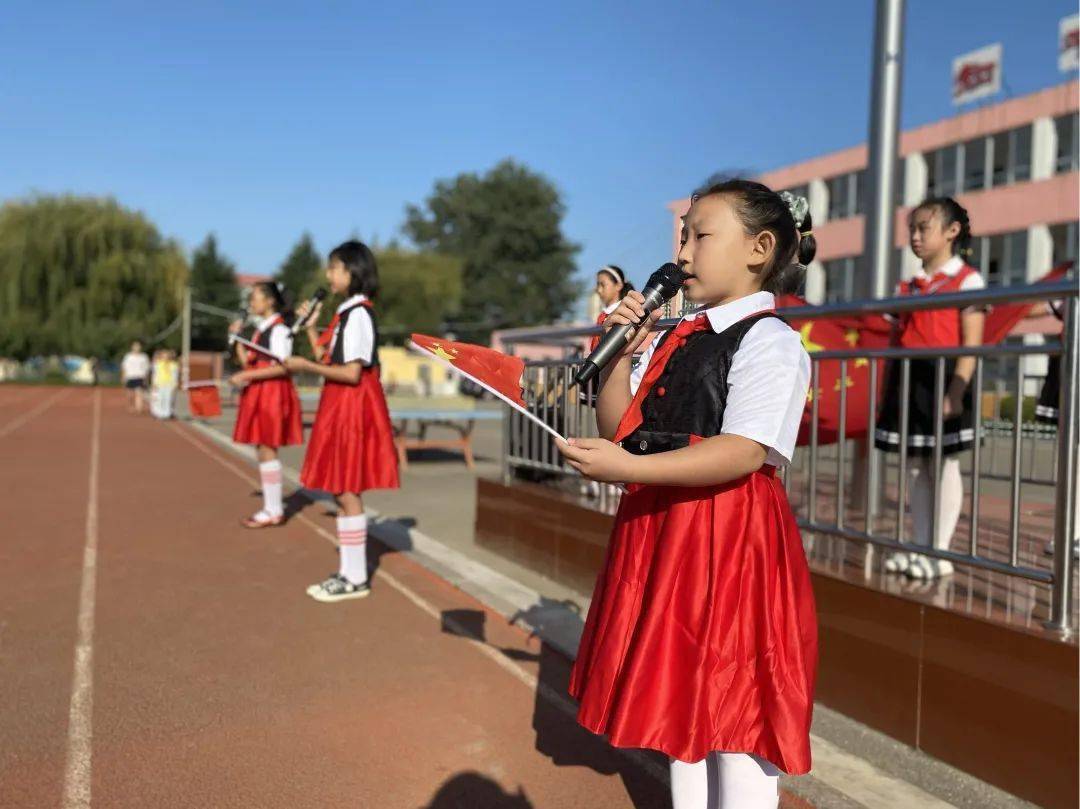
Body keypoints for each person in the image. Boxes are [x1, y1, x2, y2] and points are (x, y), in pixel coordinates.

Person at [558, 180, 818, 809]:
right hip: (668, 528)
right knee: (681, 691)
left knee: (737, 698)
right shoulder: (676, 334)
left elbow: (745, 450)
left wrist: (631, 468)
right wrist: (617, 354)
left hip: (729, 536)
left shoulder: (770, 340)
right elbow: (622, 426)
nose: (684, 251)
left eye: (701, 235)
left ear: (759, 249)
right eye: (683, 235)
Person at [875, 197, 986, 580]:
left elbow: (972, 343)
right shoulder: (907, 286)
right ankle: (920, 543)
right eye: (912, 229)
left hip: (945, 378)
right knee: (916, 466)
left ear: (952, 231)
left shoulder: (967, 280)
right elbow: (887, 335)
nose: (916, 237)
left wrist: (956, 390)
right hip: (910, 380)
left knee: (944, 463)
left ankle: (940, 551)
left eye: (924, 228)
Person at [284, 241, 400, 602]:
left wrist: (304, 367)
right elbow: (329, 357)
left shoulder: (359, 314)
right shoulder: (344, 314)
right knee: (340, 487)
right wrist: (310, 329)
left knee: (347, 488)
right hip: (339, 404)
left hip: (351, 406)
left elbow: (350, 373)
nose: (328, 275)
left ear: (353, 272)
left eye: (334, 268)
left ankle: (354, 577)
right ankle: (351, 573)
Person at [228, 281, 304, 528]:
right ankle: (272, 507)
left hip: (272, 393)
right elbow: (250, 363)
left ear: (270, 301)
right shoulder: (261, 330)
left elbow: (282, 366)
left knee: (268, 447)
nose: (251, 302)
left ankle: (273, 509)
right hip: (260, 391)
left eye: (255, 297)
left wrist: (246, 376)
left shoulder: (280, 330)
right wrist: (238, 340)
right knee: (262, 448)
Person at [589, 265, 634, 353]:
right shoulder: (603, 315)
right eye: (598, 285)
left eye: (602, 285)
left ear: (618, 286)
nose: (598, 290)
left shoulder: (625, 312)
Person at [120, 341, 150, 414]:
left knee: (139, 393)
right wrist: (123, 377)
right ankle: (130, 406)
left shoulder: (144, 357)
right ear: (132, 347)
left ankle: (138, 408)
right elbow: (124, 367)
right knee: (130, 394)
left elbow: (146, 368)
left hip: (140, 376)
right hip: (130, 376)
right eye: (135, 346)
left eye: (138, 346)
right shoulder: (128, 356)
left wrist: (146, 377)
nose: (137, 348)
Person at [150, 349, 179, 419]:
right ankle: (159, 413)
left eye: (167, 356)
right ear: (161, 356)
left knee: (168, 399)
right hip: (160, 384)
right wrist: (154, 383)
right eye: (164, 356)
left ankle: (167, 413)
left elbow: (175, 375)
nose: (165, 357)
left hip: (169, 384)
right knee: (160, 399)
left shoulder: (174, 365)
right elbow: (155, 374)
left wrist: (175, 384)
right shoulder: (157, 364)